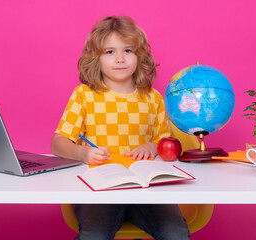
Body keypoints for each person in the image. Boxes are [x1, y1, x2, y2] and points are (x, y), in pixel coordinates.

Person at [51, 16, 190, 240]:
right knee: (94, 235)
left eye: (127, 50)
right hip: (100, 187)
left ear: (139, 55)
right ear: (95, 58)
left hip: (145, 190)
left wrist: (153, 146)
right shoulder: (84, 95)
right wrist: (82, 152)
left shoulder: (152, 98)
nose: (119, 59)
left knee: (176, 232)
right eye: (109, 52)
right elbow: (57, 143)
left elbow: (169, 144)